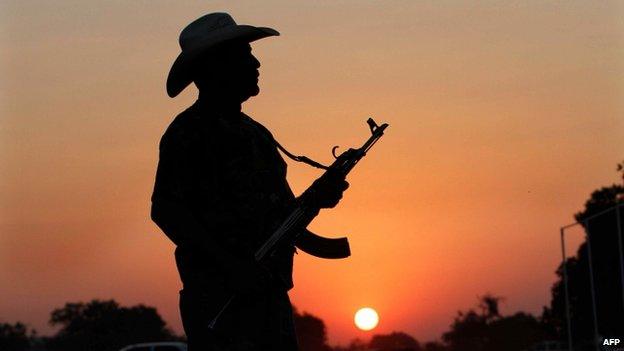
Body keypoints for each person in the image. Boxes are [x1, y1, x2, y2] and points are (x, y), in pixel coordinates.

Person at [151, 13, 348, 350]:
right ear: (215, 67)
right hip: (221, 303)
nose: (255, 63)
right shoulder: (188, 132)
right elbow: (167, 210)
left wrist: (317, 200)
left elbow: (284, 218)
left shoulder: (256, 134)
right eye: (243, 55)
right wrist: (232, 266)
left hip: (269, 297)